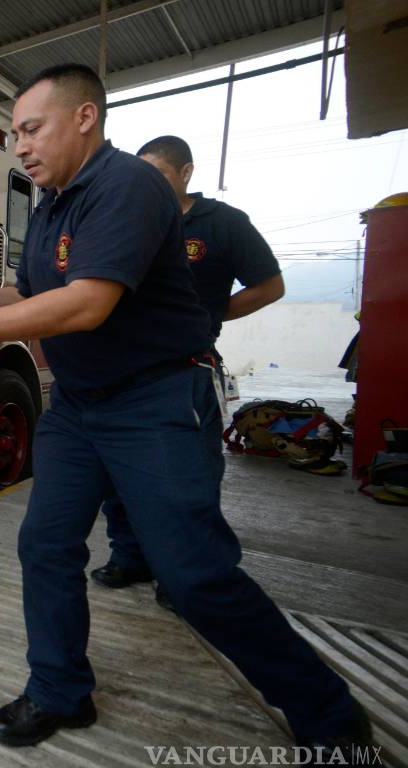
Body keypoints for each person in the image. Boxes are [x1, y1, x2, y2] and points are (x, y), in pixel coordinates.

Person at [0, 64, 397, 768]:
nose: (20, 146)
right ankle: (60, 689)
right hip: (81, 407)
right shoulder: (54, 205)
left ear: (85, 117)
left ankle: (335, 729)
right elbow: (32, 292)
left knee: (195, 577)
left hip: (154, 401)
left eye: (32, 128)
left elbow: (87, 304)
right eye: (16, 133)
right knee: (46, 544)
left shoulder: (127, 187)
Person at [90, 134, 285, 610]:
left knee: (186, 483)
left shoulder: (222, 223)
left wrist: (210, 316)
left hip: (184, 370)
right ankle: (131, 556)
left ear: (185, 173)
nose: (145, 184)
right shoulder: (129, 221)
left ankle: (187, 577)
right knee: (118, 479)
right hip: (120, 371)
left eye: (156, 174)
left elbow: (269, 285)